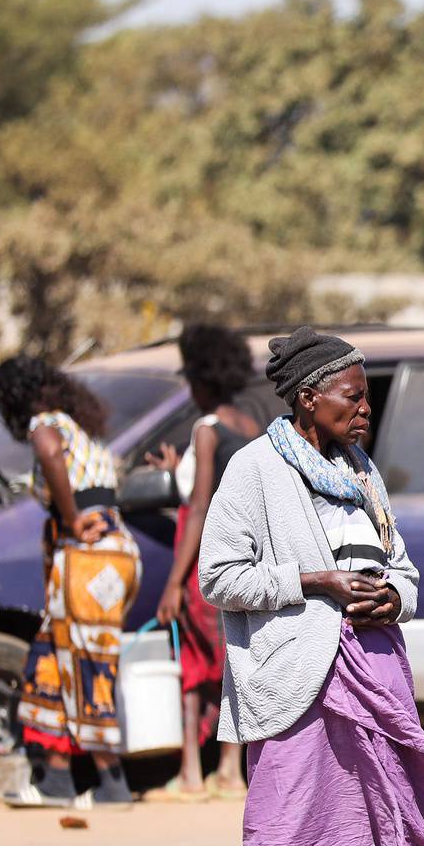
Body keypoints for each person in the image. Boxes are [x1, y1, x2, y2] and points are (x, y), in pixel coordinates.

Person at [199, 326, 424, 846]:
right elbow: (218, 576)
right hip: (295, 679)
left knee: (360, 830)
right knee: (284, 825)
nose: (364, 409)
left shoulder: (361, 472)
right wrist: (314, 582)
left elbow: (400, 564)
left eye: (366, 398)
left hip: (371, 680)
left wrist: (393, 598)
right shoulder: (255, 470)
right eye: (353, 396)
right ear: (308, 398)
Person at [0, 356, 142, 808]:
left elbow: (48, 453)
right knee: (52, 656)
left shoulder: (47, 426)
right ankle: (56, 776)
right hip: (113, 553)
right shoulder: (80, 428)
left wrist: (71, 520)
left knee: (85, 662)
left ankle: (111, 779)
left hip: (88, 555)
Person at [142, 323, 262, 802]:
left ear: (203, 381)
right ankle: (231, 769)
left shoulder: (206, 430)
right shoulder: (249, 427)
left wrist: (174, 582)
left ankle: (191, 772)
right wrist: (178, 469)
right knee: (234, 657)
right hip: (242, 556)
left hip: (204, 564)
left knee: (194, 660)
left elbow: (201, 506)